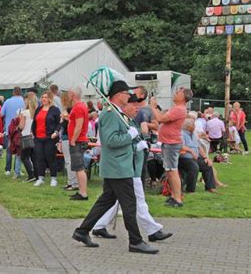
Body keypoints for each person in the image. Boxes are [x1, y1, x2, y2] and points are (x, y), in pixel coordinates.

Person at [72, 80, 159, 254]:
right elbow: (111, 141)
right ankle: (135, 241)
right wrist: (129, 136)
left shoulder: (117, 113)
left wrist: (134, 142)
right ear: (119, 95)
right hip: (118, 166)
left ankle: (82, 231)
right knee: (129, 204)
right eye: (127, 94)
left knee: (107, 200)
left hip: (117, 165)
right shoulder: (111, 113)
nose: (129, 97)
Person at [92, 94, 172, 242]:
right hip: (127, 167)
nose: (137, 108)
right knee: (137, 201)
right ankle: (151, 230)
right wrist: (136, 146)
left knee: (113, 199)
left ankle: (97, 225)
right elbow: (115, 143)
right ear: (125, 106)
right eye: (133, 104)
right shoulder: (119, 119)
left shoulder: (129, 121)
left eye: (138, 104)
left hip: (131, 166)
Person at [150, 88, 192, 207]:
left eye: (178, 93)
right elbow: (164, 117)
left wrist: (152, 106)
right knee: (169, 170)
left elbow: (160, 119)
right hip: (168, 142)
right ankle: (174, 196)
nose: (174, 94)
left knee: (172, 170)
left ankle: (177, 198)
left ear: (183, 97)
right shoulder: (177, 108)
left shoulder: (179, 109)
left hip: (171, 143)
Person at [31, 91, 61, 187]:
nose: (44, 99)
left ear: (50, 99)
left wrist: (56, 132)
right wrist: (32, 131)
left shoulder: (55, 110)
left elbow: (59, 123)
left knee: (50, 157)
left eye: (46, 97)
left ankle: (53, 178)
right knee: (39, 158)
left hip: (50, 138)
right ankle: (40, 178)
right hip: (38, 138)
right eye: (42, 97)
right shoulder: (38, 109)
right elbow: (34, 122)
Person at [67, 86, 90, 200]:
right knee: (77, 167)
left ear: (72, 94)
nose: (67, 96)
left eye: (68, 93)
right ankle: (81, 191)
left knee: (79, 167)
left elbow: (79, 125)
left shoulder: (78, 107)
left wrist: (73, 140)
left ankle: (83, 193)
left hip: (78, 141)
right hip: (79, 140)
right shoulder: (80, 106)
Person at [0, 87, 24, 176]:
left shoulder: (7, 101)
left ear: (13, 92)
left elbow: (1, 114)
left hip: (9, 129)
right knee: (19, 150)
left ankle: (8, 169)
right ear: (21, 93)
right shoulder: (24, 101)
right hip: (21, 129)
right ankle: (17, 169)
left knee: (9, 150)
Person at [60, 91, 78, 191]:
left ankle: (73, 183)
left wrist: (65, 117)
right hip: (65, 136)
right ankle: (70, 181)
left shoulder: (71, 109)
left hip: (68, 136)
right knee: (68, 161)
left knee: (69, 161)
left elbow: (72, 122)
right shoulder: (67, 109)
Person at [18, 93, 38, 182]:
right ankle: (37, 174)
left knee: (24, 157)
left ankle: (31, 175)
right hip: (34, 136)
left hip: (26, 136)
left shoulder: (24, 112)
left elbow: (21, 126)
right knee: (34, 157)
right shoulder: (37, 112)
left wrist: (18, 125)